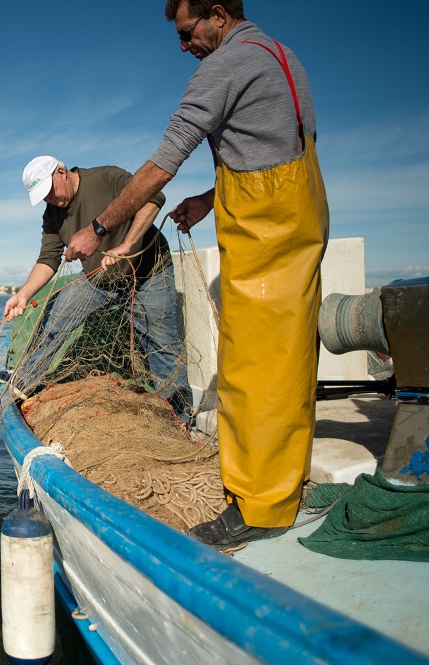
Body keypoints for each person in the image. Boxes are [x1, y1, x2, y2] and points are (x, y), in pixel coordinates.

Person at [63, 0, 329, 548]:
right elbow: (277, 144)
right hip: (300, 208)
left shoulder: (222, 66)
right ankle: (281, 483)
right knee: (291, 349)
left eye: (187, 34)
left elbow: (164, 161)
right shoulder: (284, 56)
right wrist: (212, 199)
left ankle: (260, 507)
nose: (184, 47)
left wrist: (98, 227)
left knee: (257, 364)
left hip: (266, 226)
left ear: (217, 14)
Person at [0, 155, 193, 423]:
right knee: (55, 318)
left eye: (49, 191)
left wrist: (127, 245)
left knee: (162, 345)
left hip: (148, 272)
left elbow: (154, 198)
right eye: (42, 197)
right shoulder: (52, 214)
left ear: (61, 172)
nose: (49, 199)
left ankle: (182, 419)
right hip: (99, 279)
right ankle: (24, 380)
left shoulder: (106, 177)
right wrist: (23, 295)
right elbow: (48, 259)